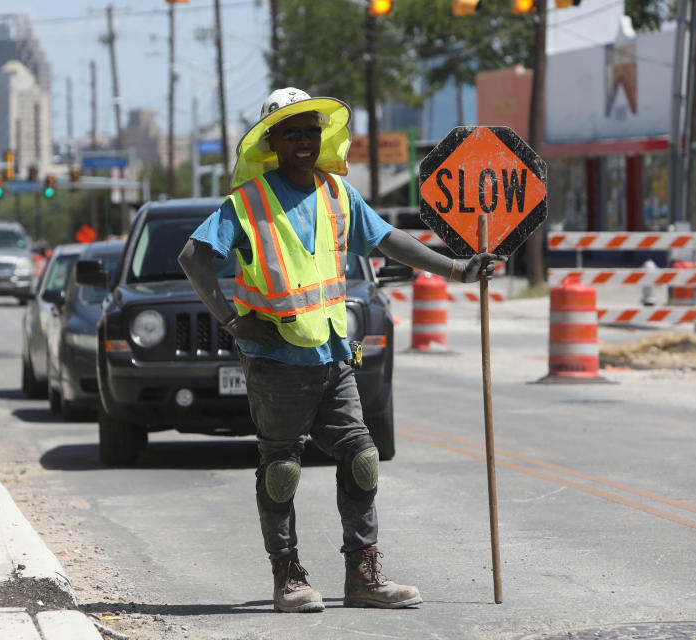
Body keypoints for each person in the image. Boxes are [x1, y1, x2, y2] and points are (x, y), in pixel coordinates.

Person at [178, 88, 504, 613]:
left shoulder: (337, 194)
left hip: (332, 355)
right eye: (292, 132)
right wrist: (232, 321)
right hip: (276, 360)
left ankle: (363, 574)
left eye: (310, 130)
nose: (304, 140)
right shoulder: (248, 202)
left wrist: (458, 267)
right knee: (281, 467)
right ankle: (288, 577)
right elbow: (194, 256)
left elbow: (388, 240)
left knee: (361, 457)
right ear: (273, 142)